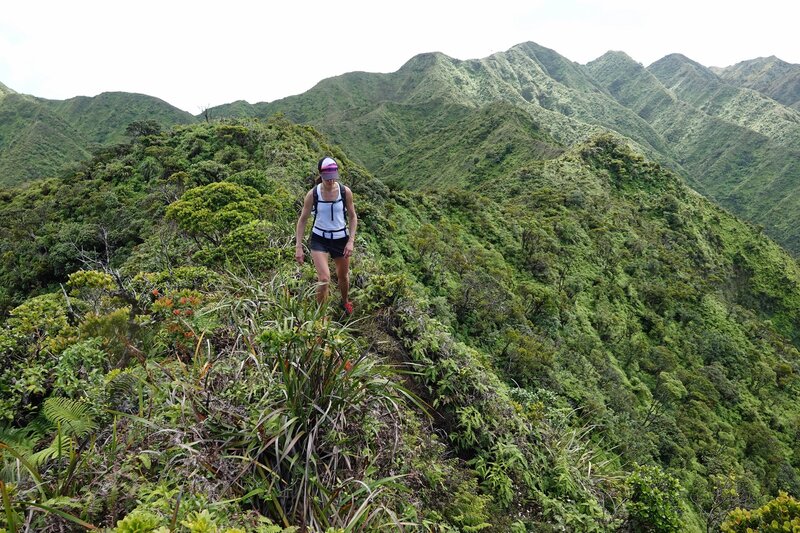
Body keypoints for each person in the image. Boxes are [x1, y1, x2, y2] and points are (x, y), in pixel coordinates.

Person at [295, 156, 358, 314]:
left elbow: (353, 217)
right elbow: (302, 220)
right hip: (319, 239)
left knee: (343, 276)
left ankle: (344, 302)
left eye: (333, 178)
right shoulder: (313, 194)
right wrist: (298, 247)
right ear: (321, 176)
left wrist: (351, 241)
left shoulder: (345, 192)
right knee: (324, 279)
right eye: (327, 178)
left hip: (340, 239)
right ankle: (320, 315)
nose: (330, 182)